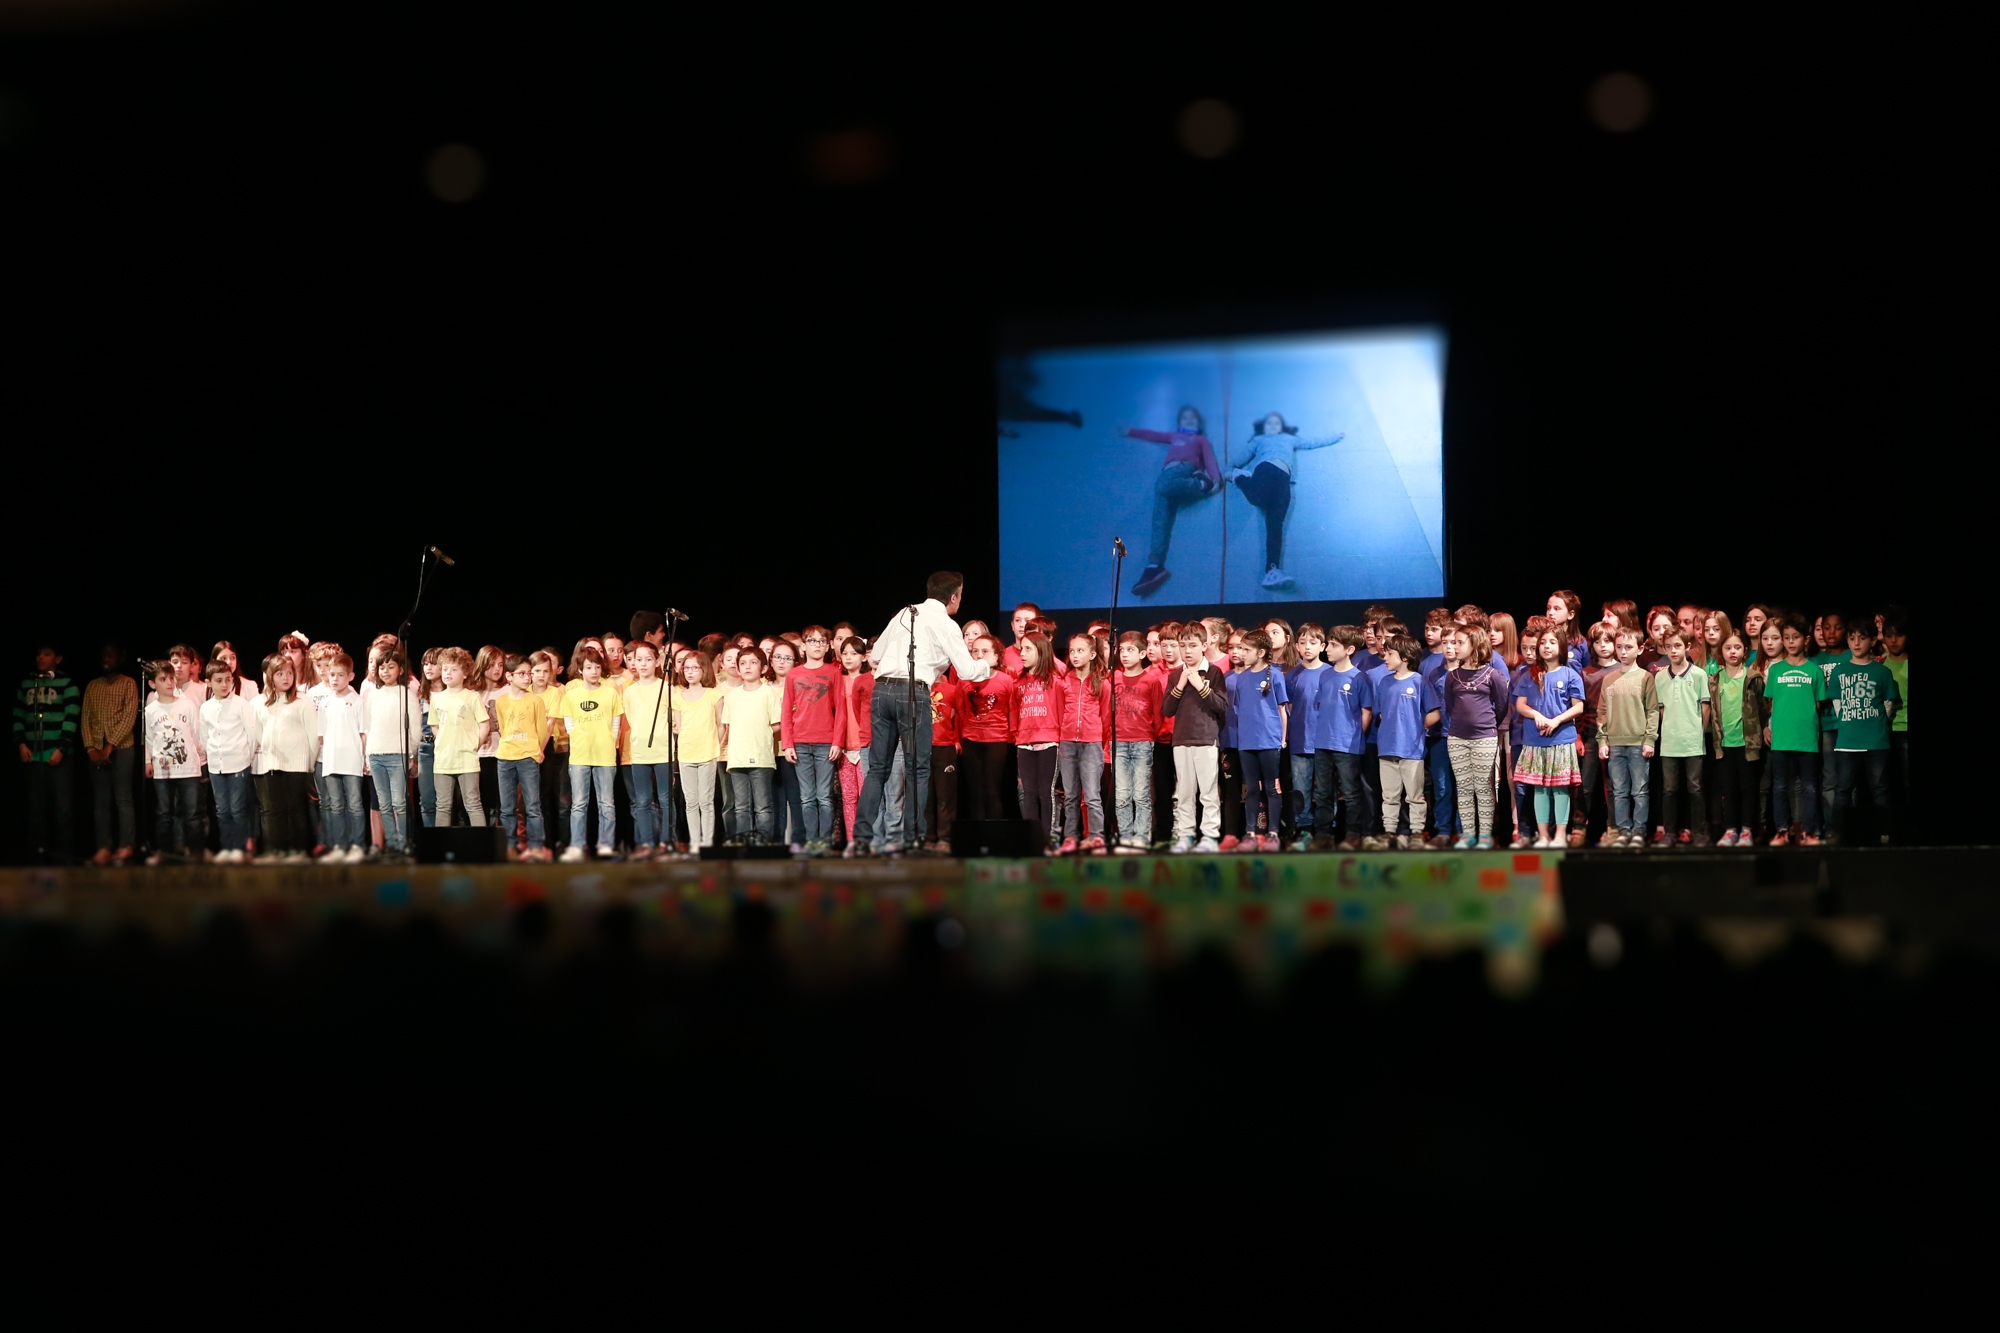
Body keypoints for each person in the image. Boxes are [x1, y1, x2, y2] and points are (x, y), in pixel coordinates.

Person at [848, 571, 991, 857]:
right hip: (913, 693)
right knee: (918, 768)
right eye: (960, 595)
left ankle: (862, 838)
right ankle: (913, 839)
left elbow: (874, 656)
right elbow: (966, 671)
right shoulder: (947, 624)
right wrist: (985, 665)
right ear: (953, 597)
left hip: (883, 691)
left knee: (877, 769)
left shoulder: (904, 613)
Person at [1229, 412, 1344, 589]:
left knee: (1276, 525)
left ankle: (1271, 571)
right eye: (1270, 423)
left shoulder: (1289, 439)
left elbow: (1312, 443)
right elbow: (1241, 457)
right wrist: (1230, 470)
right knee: (1257, 498)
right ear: (1264, 427)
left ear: (1282, 427)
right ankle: (1240, 478)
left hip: (1284, 479)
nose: (1273, 426)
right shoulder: (1259, 440)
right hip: (1266, 469)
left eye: (1277, 423)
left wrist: (1336, 437)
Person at [1121, 406, 1223, 598]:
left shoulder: (1199, 439)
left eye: (1193, 417)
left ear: (1198, 422)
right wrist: (1130, 431)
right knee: (1159, 521)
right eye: (1185, 417)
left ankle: (1202, 484)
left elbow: (1209, 458)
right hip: (1168, 475)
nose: (1189, 420)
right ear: (1180, 422)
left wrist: (1215, 480)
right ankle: (1154, 565)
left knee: (1161, 486)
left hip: (1183, 470)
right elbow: (1153, 435)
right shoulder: (1175, 436)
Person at [1510, 626, 1587, 850]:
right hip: (1535, 740)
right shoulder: (1528, 674)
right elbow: (1520, 705)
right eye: (1543, 642)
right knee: (1539, 789)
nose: (1546, 646)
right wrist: (1537, 715)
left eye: (1552, 642)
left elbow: (1578, 707)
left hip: (1561, 739)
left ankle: (1561, 834)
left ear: (1561, 646)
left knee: (1560, 788)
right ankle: (1543, 834)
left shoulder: (1570, 674)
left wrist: (1555, 721)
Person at [1827, 616, 1900, 844]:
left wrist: (1875, 724)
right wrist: (1851, 722)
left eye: (1862, 638)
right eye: (1852, 638)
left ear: (1871, 641)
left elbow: (1889, 705)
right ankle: (1839, 832)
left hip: (1876, 742)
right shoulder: (1840, 672)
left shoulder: (1882, 672)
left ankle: (1885, 832)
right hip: (1847, 742)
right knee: (1843, 790)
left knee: (1879, 789)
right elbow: (1837, 704)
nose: (1856, 643)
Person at [1366, 634, 1441, 850]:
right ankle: (1390, 831)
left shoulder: (1420, 682)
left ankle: (1417, 832)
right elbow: (1380, 713)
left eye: (1390, 654)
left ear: (1406, 657)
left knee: (1415, 795)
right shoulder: (1384, 682)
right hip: (1387, 748)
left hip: (1412, 750)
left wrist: (1417, 727)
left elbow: (1434, 713)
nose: (1385, 658)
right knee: (1389, 795)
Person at [1441, 623, 1511, 850]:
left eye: (1460, 642)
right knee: (1463, 787)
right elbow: (1450, 707)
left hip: (1484, 737)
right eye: (1453, 642)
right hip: (1457, 738)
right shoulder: (1453, 677)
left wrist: (1486, 727)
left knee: (1483, 786)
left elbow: (1501, 706)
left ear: (1475, 644)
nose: (1454, 646)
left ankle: (1485, 835)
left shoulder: (1493, 675)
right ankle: (1468, 834)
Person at [1163, 621, 1227, 854]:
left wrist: (1201, 685)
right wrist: (1180, 685)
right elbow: (1167, 709)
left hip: (1206, 738)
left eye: (1192, 645)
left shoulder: (1214, 672)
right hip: (1181, 740)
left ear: (1204, 645)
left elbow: (1221, 705)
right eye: (1183, 645)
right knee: (1184, 792)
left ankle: (1209, 836)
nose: (1187, 651)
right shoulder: (1174, 676)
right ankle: (1186, 834)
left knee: (1208, 792)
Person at [781, 625, 843, 856]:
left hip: (826, 742)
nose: (816, 645)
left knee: (824, 797)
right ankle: (811, 842)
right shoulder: (794, 675)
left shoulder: (833, 672)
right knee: (807, 798)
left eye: (821, 641)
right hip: (800, 742)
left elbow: (841, 712)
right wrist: (788, 743)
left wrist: (837, 741)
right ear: (804, 645)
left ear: (827, 646)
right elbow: (786, 711)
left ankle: (824, 843)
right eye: (812, 641)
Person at [1764, 615, 1825, 846]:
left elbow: (1817, 704)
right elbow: (1770, 704)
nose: (1790, 642)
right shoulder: (1776, 670)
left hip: (1807, 738)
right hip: (1781, 738)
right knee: (1780, 786)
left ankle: (1808, 831)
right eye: (1786, 637)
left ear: (1806, 640)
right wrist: (1768, 728)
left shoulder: (1814, 670)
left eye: (1795, 637)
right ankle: (1781, 830)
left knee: (1810, 786)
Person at [1224, 629, 1288, 853]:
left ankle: (1273, 833)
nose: (1241, 652)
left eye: (1246, 649)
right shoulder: (1242, 678)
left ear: (1260, 652)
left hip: (1269, 741)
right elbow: (1241, 709)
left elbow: (1282, 710)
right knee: (1251, 789)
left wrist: (1282, 739)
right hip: (1246, 743)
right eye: (1239, 648)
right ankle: (1251, 833)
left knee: (1272, 788)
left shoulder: (1276, 675)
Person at [557, 644, 621, 860]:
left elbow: (616, 723)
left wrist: (609, 740)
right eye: (588, 667)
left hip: (605, 755)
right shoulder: (572, 695)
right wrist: (579, 739)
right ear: (581, 670)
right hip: (580, 756)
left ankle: (605, 844)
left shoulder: (611, 693)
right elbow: (568, 723)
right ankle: (576, 846)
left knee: (607, 804)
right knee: (578, 804)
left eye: (596, 666)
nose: (593, 671)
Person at [1596, 629, 1659, 848]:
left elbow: (1653, 711)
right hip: (1615, 743)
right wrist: (1602, 740)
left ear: (1640, 649)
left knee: (1640, 790)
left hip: (1638, 743)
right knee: (1619, 790)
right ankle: (1623, 829)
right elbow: (1601, 712)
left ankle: (1639, 830)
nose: (1623, 651)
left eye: (1629, 647)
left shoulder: (1645, 677)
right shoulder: (1608, 679)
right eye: (1620, 647)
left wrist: (1650, 739)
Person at [1312, 625, 1373, 849]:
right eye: (1328, 643)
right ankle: (1323, 834)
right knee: (1323, 792)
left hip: (1347, 746)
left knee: (1350, 793)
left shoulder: (1359, 678)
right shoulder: (1325, 674)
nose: (1327, 648)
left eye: (1334, 645)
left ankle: (1353, 833)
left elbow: (1366, 711)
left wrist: (1355, 735)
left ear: (1349, 649)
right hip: (1322, 743)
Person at [254, 653, 319, 863]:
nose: (285, 677)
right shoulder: (264, 703)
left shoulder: (302, 701)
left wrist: (308, 763)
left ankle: (297, 850)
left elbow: (312, 735)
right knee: (275, 811)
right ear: (271, 676)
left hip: (297, 765)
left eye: (289, 673)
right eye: (280, 673)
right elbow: (258, 731)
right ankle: (276, 850)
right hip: (272, 763)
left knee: (296, 810)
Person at [80, 644, 138, 865]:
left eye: (110, 655)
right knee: (101, 801)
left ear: (120, 658)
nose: (106, 658)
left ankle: (126, 847)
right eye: (103, 655)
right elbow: (85, 718)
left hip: (122, 749)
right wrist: (91, 748)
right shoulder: (92, 686)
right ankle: (103, 848)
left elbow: (129, 716)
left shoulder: (128, 683)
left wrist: (110, 745)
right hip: (96, 751)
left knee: (123, 799)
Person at [361, 651, 421, 859]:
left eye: (391, 667)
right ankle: (393, 843)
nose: (385, 671)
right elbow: (367, 727)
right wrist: (367, 754)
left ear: (401, 670)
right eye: (382, 667)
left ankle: (404, 842)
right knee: (384, 803)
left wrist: (412, 754)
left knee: (399, 802)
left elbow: (415, 728)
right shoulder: (372, 695)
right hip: (376, 754)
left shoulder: (407, 694)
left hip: (398, 754)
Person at [1053, 634, 1110, 854]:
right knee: (1070, 794)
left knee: (1092, 795)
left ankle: (1096, 837)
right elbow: (1060, 711)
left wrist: (1098, 738)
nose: (1075, 655)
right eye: (1072, 651)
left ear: (1093, 654)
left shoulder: (1101, 682)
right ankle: (1070, 837)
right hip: (1067, 743)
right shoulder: (1064, 681)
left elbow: (1105, 716)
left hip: (1091, 742)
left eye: (1080, 651)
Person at [1706, 631, 1764, 847]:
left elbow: (1762, 710)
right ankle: (1731, 830)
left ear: (1744, 652)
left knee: (1748, 789)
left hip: (1747, 744)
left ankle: (1747, 830)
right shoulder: (1715, 680)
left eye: (1737, 648)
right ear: (1721, 651)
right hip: (1724, 745)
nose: (1732, 652)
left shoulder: (1753, 678)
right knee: (1728, 789)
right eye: (1728, 648)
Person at [142, 661, 203, 863]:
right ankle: (165, 853)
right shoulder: (151, 710)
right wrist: (148, 762)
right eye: (163, 679)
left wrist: (194, 757)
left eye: (171, 678)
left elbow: (195, 733)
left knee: (192, 814)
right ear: (152, 684)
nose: (169, 682)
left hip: (188, 769)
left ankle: (195, 852)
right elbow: (150, 739)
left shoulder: (187, 705)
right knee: (164, 814)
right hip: (163, 770)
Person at [492, 654, 551, 862]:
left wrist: (536, 752)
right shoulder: (501, 702)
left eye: (529, 673)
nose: (528, 678)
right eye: (522, 674)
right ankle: (510, 846)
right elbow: (503, 728)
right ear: (509, 676)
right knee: (507, 808)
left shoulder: (535, 701)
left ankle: (536, 846)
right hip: (505, 757)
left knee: (532, 806)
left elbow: (542, 731)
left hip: (527, 758)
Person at [720, 645, 782, 843]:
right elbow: (728, 726)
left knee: (763, 806)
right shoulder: (732, 696)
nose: (747, 667)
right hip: (737, 759)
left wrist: (759, 734)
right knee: (741, 807)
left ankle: (762, 844)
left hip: (761, 759)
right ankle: (744, 843)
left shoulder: (768, 693)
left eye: (753, 663)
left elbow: (777, 724)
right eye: (743, 664)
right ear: (737, 669)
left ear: (763, 668)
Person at [201, 660, 259, 862]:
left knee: (237, 808)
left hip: (238, 763)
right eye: (219, 681)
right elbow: (204, 736)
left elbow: (252, 734)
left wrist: (245, 757)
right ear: (209, 683)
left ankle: (239, 847)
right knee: (222, 810)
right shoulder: (206, 708)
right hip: (217, 765)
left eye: (228, 679)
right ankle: (227, 847)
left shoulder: (241, 704)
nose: (225, 684)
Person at [1108, 632, 1162, 852]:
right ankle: (1126, 836)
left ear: (1142, 653)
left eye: (1131, 650)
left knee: (1141, 793)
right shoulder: (1113, 678)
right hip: (1119, 742)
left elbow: (1158, 714)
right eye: (1122, 650)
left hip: (1142, 742)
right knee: (1122, 794)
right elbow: (1106, 713)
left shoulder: (1151, 680)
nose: (1125, 654)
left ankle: (1141, 836)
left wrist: (1150, 735)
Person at [315, 653, 368, 861]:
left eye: (339, 675)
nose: (334, 679)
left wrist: (364, 759)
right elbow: (322, 737)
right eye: (331, 675)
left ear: (350, 676)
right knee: (335, 805)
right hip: (331, 761)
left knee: (354, 804)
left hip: (352, 761)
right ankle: (340, 845)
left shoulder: (357, 701)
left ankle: (357, 845)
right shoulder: (326, 703)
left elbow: (363, 733)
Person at [432, 647, 491, 832]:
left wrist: (474, 745)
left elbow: (484, 725)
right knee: (442, 806)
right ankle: (440, 848)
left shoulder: (472, 697)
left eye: (454, 669)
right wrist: (442, 742)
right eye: (445, 669)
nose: (448, 673)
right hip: (443, 759)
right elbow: (434, 725)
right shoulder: (437, 698)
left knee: (473, 803)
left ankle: (481, 847)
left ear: (465, 673)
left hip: (467, 759)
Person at [1570, 622, 1618, 847]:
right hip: (1590, 735)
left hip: (1616, 736)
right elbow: (1580, 707)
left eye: (1607, 641)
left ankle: (1613, 828)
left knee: (1613, 785)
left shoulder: (1622, 670)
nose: (1603, 646)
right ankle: (1579, 827)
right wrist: (1578, 736)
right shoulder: (1585, 673)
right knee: (1586, 785)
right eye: (1598, 642)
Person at [958, 635, 1016, 821]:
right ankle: (978, 838)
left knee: (992, 791)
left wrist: (1012, 735)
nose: (979, 656)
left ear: (996, 656)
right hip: (971, 740)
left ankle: (994, 837)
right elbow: (961, 711)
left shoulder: (1005, 681)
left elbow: (1012, 709)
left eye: (985, 652)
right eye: (975, 652)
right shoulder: (964, 681)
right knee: (975, 793)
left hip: (996, 741)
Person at [670, 651, 722, 853]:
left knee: (706, 801)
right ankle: (694, 842)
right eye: (686, 668)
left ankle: (707, 843)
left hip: (708, 753)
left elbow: (720, 725)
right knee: (691, 802)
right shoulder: (678, 697)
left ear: (704, 669)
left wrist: (713, 744)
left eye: (694, 668)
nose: (690, 672)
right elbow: (679, 726)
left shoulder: (714, 695)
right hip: (686, 754)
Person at [926, 667, 965, 854]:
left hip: (945, 746)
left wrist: (957, 740)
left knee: (945, 796)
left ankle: (945, 837)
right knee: (926, 795)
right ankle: (928, 836)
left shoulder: (952, 689)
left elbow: (959, 716)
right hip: (922, 747)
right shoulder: (919, 688)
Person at [1880, 613, 1908, 840]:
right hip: (1887, 730)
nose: (1894, 640)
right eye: (1889, 636)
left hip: (1906, 730)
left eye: (1899, 635)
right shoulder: (1880, 664)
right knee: (1887, 783)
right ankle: (1890, 829)